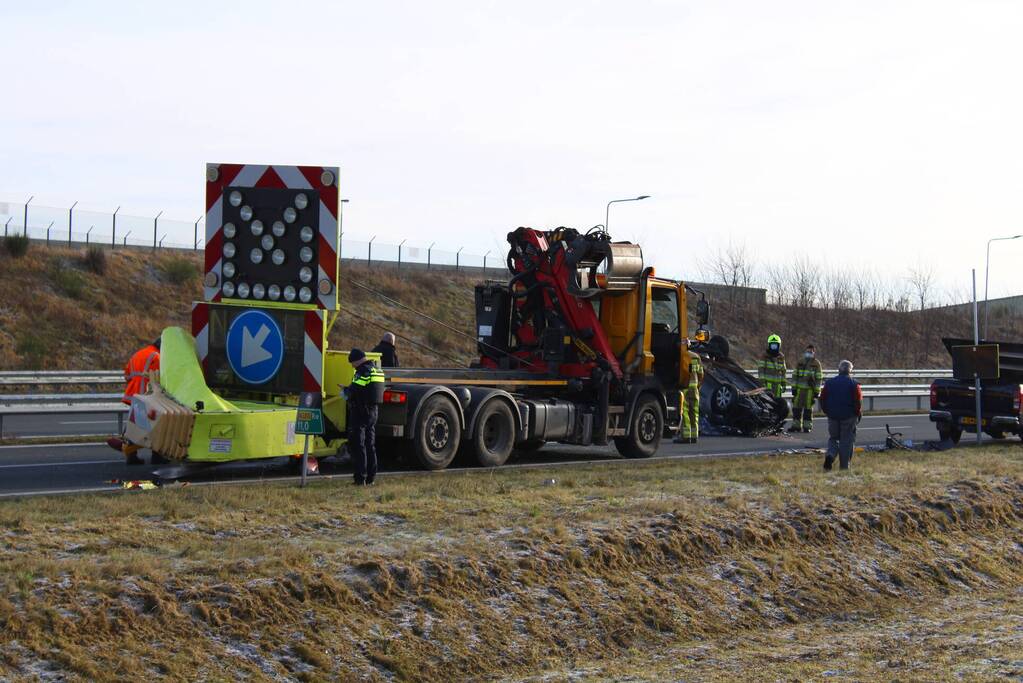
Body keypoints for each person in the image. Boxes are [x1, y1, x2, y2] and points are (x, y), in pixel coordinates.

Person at [107, 337, 161, 465]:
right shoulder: (156, 356)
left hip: (133, 393)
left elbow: (127, 376)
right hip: (147, 394)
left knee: (136, 422)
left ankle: (130, 454)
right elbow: (160, 377)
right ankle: (157, 456)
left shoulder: (138, 354)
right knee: (155, 425)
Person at [341, 348, 386, 485]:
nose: (353, 366)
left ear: (358, 360)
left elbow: (354, 391)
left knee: (358, 445)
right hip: (373, 411)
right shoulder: (377, 370)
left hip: (361, 411)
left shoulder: (362, 372)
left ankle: (360, 478)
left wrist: (345, 389)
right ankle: (371, 477)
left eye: (353, 363)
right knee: (370, 444)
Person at [819, 359, 862, 471]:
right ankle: (844, 467)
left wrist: (827, 411)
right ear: (850, 371)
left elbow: (822, 399)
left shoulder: (829, 383)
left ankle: (830, 455)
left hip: (832, 416)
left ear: (839, 369)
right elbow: (858, 401)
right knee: (846, 441)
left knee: (833, 438)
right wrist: (858, 413)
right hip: (848, 416)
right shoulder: (854, 384)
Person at [674, 339, 704, 444]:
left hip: (685, 388)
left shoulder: (682, 356)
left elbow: (683, 372)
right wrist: (698, 385)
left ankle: (686, 437)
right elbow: (700, 374)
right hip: (695, 388)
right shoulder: (695, 356)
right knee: (694, 412)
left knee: (685, 412)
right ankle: (694, 436)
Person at [789, 344, 823, 433]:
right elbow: (795, 375)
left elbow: (819, 378)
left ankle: (807, 426)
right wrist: (794, 388)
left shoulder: (816, 364)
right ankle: (796, 426)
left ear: (814, 353)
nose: (809, 353)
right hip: (799, 390)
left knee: (808, 409)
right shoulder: (800, 362)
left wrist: (816, 391)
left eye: (811, 352)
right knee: (796, 408)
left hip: (809, 391)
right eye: (807, 352)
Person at [757, 334, 787, 398]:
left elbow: (783, 371)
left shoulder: (781, 357)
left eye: (775, 346)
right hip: (768, 386)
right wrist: (762, 384)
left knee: (778, 405)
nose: (774, 347)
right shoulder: (764, 356)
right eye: (772, 345)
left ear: (779, 346)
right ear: (769, 345)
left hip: (778, 387)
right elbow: (761, 371)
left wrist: (784, 384)